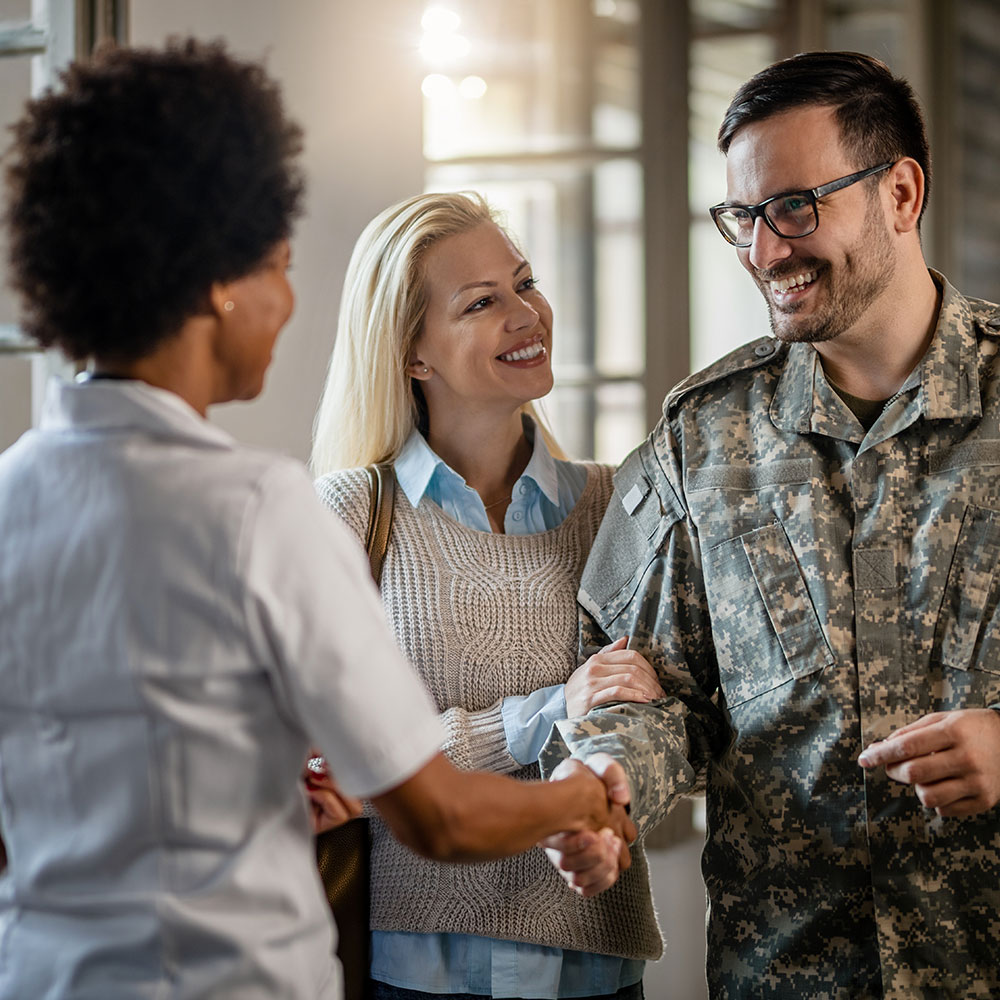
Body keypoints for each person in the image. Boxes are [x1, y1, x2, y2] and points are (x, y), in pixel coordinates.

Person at [0, 41, 634, 1000]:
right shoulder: (259, 511)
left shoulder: (9, 499)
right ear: (218, 279)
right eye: (279, 267)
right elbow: (440, 818)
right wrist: (587, 796)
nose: (289, 303)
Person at [541, 50, 1000, 998]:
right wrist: (610, 782)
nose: (764, 250)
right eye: (742, 217)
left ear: (901, 193)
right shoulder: (701, 437)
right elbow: (663, 696)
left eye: (795, 207)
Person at [309, 191, 664, 1000]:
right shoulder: (350, 512)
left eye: (524, 282)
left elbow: (654, 721)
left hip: (596, 966)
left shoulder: (620, 504)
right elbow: (333, 763)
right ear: (413, 355)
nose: (526, 312)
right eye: (481, 302)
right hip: (412, 972)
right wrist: (546, 710)